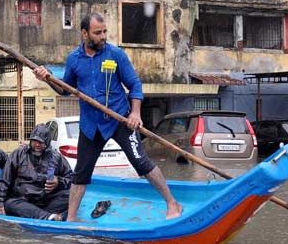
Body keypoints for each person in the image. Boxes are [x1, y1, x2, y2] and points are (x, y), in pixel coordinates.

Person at [33, 13, 183, 221]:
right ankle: (72, 219)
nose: (103, 36)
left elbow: (135, 85)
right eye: (97, 33)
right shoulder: (74, 59)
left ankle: (172, 204)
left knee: (142, 163)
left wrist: (135, 113)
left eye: (104, 32)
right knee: (80, 174)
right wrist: (47, 77)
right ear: (85, 34)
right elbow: (65, 90)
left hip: (119, 120)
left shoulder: (115, 55)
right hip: (91, 126)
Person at [0, 124, 73, 221]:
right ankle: (48, 216)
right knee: (9, 204)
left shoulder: (56, 157)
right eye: (35, 141)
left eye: (41, 142)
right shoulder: (18, 154)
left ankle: (41, 214)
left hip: (46, 200)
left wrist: (59, 181)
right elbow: (5, 179)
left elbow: (71, 179)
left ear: (47, 142)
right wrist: (0, 201)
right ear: (30, 140)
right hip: (23, 200)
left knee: (72, 195)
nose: (37, 144)